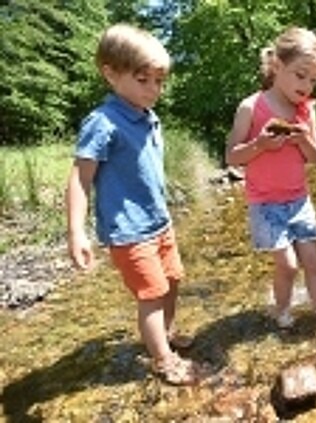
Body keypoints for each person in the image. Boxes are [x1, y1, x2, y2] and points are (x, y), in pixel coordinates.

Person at [65, 23, 203, 385]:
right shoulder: (103, 123)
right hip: (129, 231)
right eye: (144, 80)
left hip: (159, 222)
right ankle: (162, 360)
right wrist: (76, 231)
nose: (154, 90)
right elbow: (80, 178)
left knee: (172, 281)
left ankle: (166, 336)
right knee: (152, 294)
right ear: (110, 74)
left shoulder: (147, 116)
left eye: (159, 81)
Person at [225, 27, 316, 330]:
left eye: (313, 80)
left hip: (299, 200)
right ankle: (282, 312)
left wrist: (303, 139)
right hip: (265, 203)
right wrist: (260, 146)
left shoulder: (304, 111)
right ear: (277, 66)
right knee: (288, 264)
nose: (307, 85)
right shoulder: (252, 106)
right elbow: (231, 156)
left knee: (314, 263)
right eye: (300, 75)